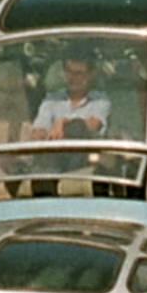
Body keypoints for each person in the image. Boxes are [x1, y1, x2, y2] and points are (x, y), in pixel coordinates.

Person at [23, 55, 111, 197]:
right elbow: (38, 132)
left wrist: (62, 122)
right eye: (69, 72)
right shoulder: (52, 99)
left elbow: (92, 125)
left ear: (90, 74)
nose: (73, 78)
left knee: (76, 128)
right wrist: (47, 133)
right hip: (51, 159)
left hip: (83, 161)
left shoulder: (100, 100)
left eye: (79, 73)